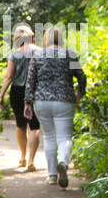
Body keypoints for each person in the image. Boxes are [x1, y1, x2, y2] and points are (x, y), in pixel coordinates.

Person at [24, 25, 87, 188]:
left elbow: (30, 81)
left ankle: (52, 175)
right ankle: (63, 163)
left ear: (46, 39)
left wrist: (28, 102)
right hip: (64, 100)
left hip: (42, 101)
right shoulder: (69, 55)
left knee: (49, 137)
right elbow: (81, 77)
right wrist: (79, 93)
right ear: (61, 39)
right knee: (65, 137)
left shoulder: (37, 55)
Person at [0, 23, 42, 171]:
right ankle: (31, 160)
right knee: (35, 125)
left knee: (20, 124)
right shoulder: (40, 52)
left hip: (17, 91)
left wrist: (1, 94)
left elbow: (9, 76)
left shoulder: (14, 54)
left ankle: (23, 157)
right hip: (35, 92)